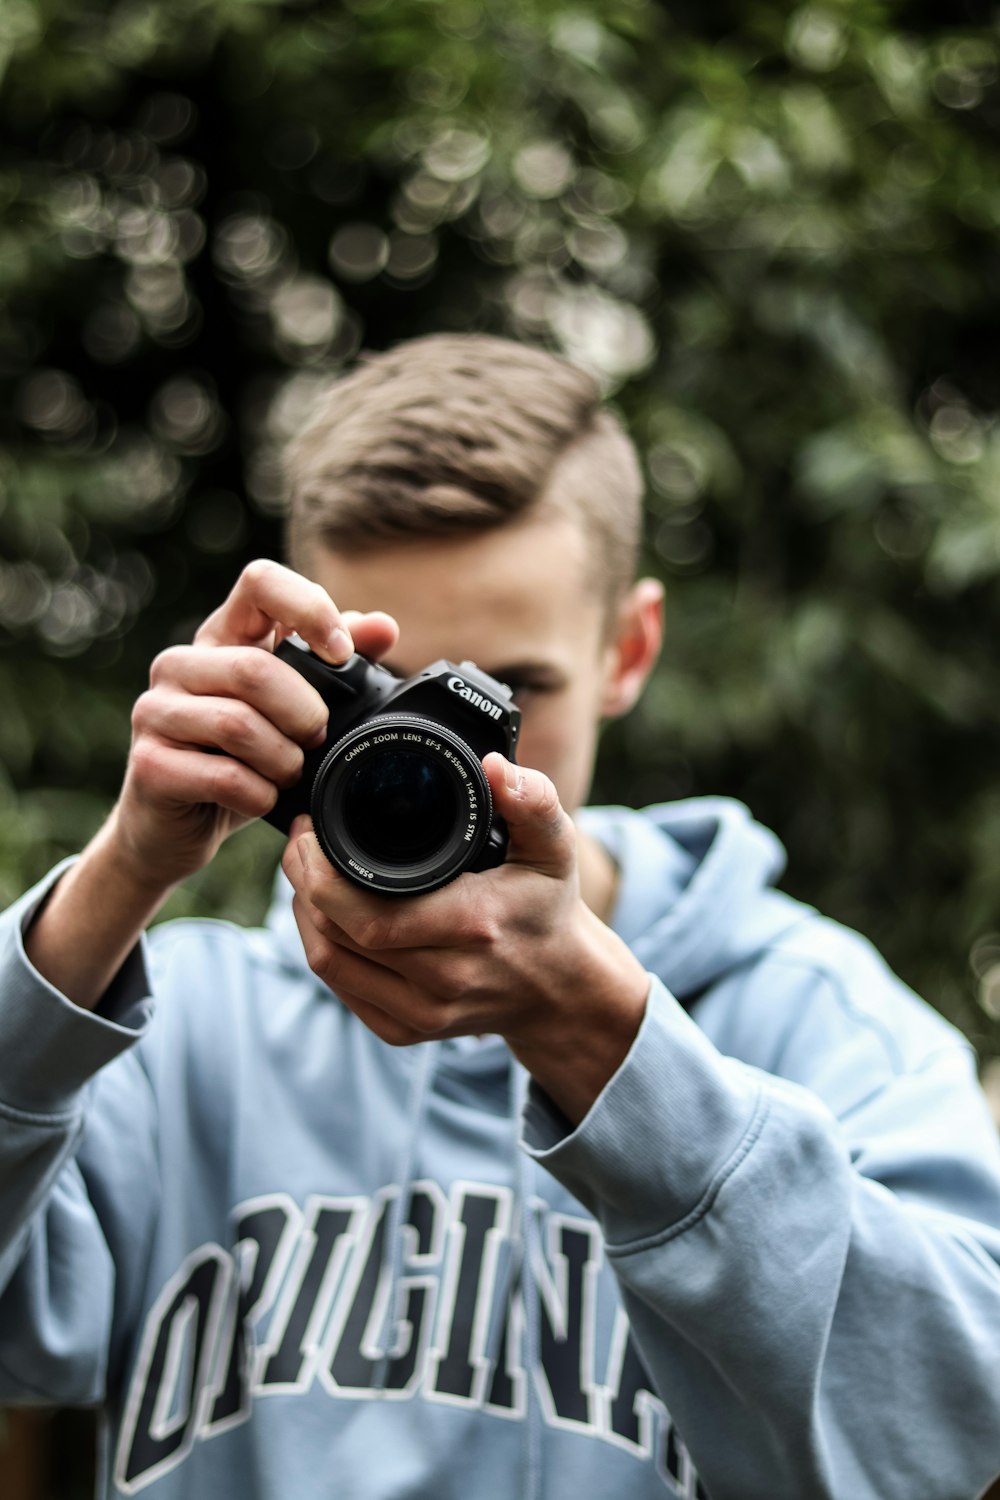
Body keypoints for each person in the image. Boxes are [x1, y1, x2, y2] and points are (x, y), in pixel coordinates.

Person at [0, 334, 998, 1500]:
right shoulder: (187, 1034)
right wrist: (119, 875)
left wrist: (607, 1043)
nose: (446, 764)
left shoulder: (811, 1019)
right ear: (299, 656)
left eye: (509, 695)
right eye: (395, 701)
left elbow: (953, 1424)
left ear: (627, 649)